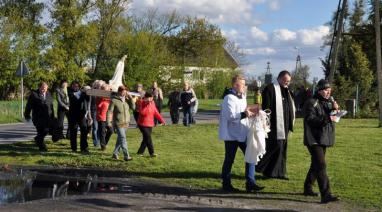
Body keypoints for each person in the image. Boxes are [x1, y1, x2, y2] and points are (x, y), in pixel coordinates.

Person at [219, 75, 264, 192]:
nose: (245, 87)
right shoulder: (229, 98)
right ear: (235, 85)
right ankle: (226, 184)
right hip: (231, 135)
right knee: (229, 159)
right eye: (242, 84)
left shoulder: (242, 96)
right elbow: (230, 116)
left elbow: (244, 110)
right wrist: (245, 114)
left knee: (251, 155)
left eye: (245, 84)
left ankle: (251, 182)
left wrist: (254, 112)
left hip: (243, 131)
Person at [303, 79, 340, 204]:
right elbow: (311, 120)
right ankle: (326, 194)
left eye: (329, 90)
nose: (328, 92)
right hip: (313, 138)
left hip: (322, 138)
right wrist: (329, 117)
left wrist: (335, 111)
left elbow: (327, 117)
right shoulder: (311, 102)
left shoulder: (327, 102)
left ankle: (308, 187)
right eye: (325, 90)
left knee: (316, 164)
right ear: (319, 91)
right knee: (321, 165)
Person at [256, 70, 295, 179]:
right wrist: (266, 124)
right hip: (274, 125)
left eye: (288, 82)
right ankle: (261, 168)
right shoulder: (270, 89)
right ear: (279, 78)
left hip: (285, 125)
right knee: (274, 147)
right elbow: (266, 108)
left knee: (282, 149)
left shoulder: (287, 91)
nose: (287, 83)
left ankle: (279, 172)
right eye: (285, 81)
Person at [107, 85, 135, 161]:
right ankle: (126, 156)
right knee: (123, 138)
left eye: (125, 91)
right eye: (123, 91)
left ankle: (115, 154)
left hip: (126, 123)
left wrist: (131, 99)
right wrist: (108, 122)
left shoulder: (127, 100)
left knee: (120, 139)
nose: (124, 92)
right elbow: (109, 112)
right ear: (119, 92)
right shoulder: (114, 100)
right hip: (118, 123)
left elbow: (134, 107)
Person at [24, 82, 55, 151]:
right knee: (41, 131)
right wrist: (27, 115)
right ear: (39, 87)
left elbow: (51, 106)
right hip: (38, 118)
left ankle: (38, 139)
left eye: (45, 88)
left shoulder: (48, 94)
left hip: (48, 117)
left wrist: (53, 116)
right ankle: (42, 148)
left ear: (47, 88)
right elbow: (28, 106)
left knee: (46, 131)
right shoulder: (34, 95)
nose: (44, 90)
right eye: (42, 88)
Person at [136, 92, 166, 157]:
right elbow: (142, 112)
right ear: (145, 98)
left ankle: (139, 152)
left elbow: (156, 112)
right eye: (148, 97)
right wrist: (147, 104)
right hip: (142, 124)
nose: (150, 99)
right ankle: (152, 153)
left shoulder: (152, 103)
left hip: (150, 124)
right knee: (148, 138)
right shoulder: (142, 103)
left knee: (145, 139)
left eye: (151, 97)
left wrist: (162, 121)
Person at [68, 81, 91, 153]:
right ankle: (74, 148)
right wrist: (82, 95)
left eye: (77, 86)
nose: (76, 87)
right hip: (73, 115)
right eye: (74, 86)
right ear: (72, 86)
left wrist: (87, 93)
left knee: (84, 130)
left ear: (79, 87)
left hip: (82, 115)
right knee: (73, 131)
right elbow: (76, 101)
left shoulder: (82, 93)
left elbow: (88, 99)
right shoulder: (69, 93)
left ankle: (83, 148)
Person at [96, 84, 113, 151]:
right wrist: (103, 98)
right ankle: (103, 147)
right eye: (104, 89)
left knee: (110, 131)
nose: (105, 91)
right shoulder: (99, 97)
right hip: (101, 117)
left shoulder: (110, 97)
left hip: (109, 117)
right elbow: (98, 105)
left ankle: (104, 143)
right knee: (102, 132)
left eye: (107, 89)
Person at [90, 80, 105, 147]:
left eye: (101, 85)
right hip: (94, 110)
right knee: (95, 127)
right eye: (99, 85)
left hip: (101, 111)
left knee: (100, 127)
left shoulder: (104, 92)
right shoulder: (93, 92)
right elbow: (90, 102)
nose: (100, 86)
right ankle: (95, 141)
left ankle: (99, 141)